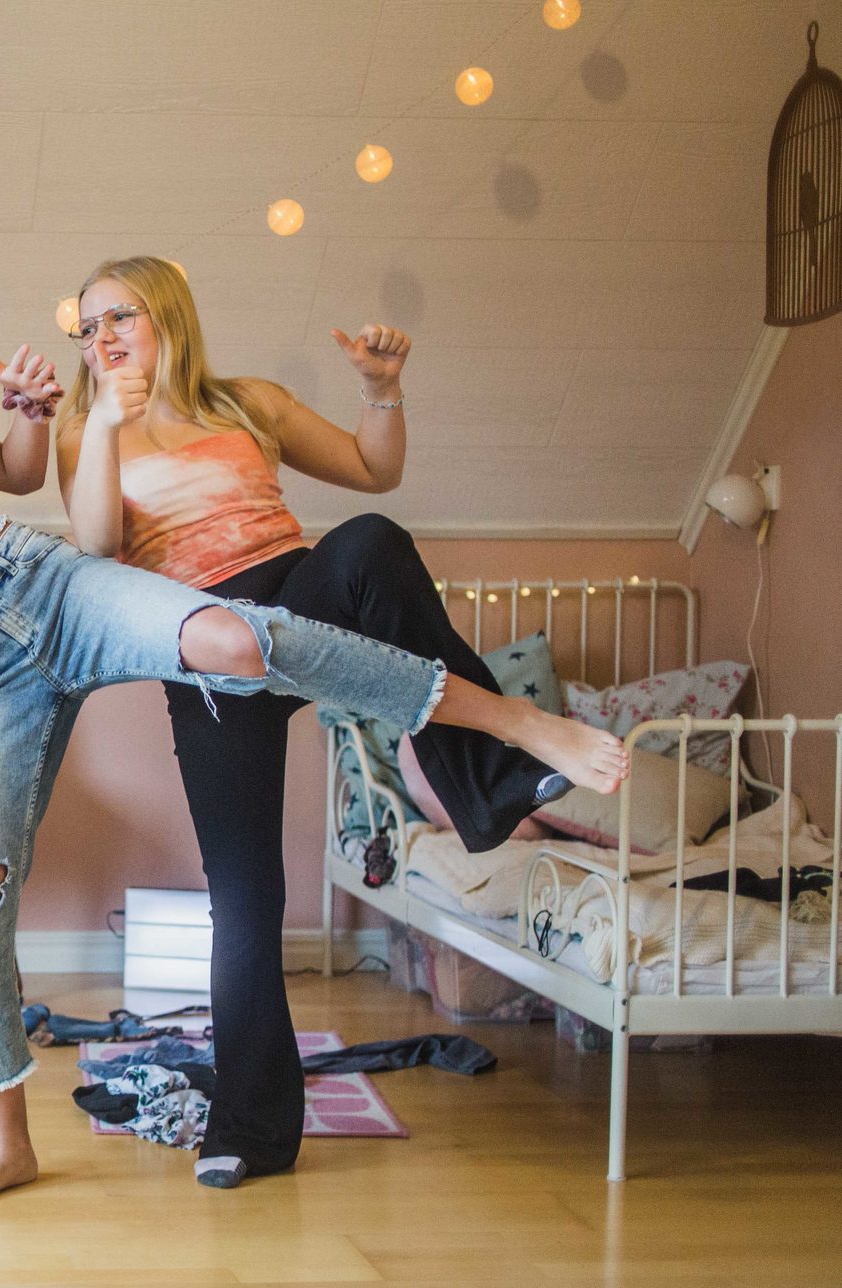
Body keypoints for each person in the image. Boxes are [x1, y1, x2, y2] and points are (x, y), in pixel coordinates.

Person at [0, 279, 627, 1205]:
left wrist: (27, 412)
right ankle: (6, 1145)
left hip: (48, 586)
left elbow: (16, 473)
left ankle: (511, 721)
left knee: (229, 636)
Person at [54, 254, 628, 1186]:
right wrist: (112, 425)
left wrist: (381, 390)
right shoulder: (86, 432)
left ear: (166, 313)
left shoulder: (249, 404)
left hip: (299, 600)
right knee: (246, 896)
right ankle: (249, 1130)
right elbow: (94, 551)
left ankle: (483, 781)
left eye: (116, 316)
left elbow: (373, 472)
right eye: (84, 328)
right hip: (204, 648)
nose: (98, 338)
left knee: (368, 545)